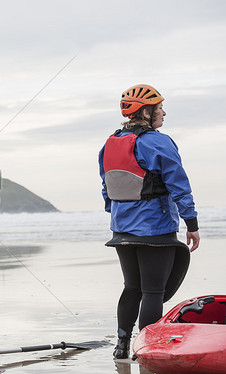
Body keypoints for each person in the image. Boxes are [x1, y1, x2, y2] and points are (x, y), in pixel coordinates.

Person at [98, 84, 200, 359]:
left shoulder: (109, 143)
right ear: (146, 112)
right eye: (159, 108)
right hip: (156, 229)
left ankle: (121, 346)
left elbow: (107, 188)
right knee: (153, 291)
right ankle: (146, 349)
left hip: (121, 231)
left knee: (131, 287)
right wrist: (191, 223)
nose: (163, 113)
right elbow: (179, 184)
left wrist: (121, 216)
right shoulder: (158, 141)